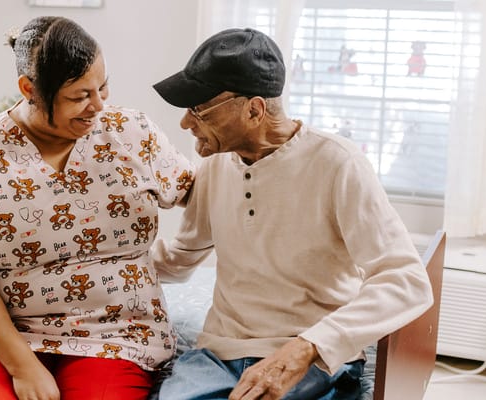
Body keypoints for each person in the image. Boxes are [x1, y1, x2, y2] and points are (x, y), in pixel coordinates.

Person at [149, 28, 433, 400]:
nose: (186, 123)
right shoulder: (217, 166)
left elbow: (406, 281)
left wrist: (308, 347)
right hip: (217, 354)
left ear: (254, 109)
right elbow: (180, 259)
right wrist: (91, 269)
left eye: (200, 110)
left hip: (309, 356)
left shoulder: (337, 163)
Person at [0, 16, 194, 400]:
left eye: (103, 87)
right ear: (30, 89)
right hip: (7, 330)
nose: (98, 105)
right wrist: (23, 368)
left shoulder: (131, 132)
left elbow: (204, 194)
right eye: (79, 96)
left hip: (115, 333)